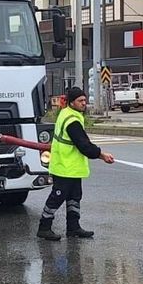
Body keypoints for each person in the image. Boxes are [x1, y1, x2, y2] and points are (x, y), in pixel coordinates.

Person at [38, 87, 114, 241]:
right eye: (80, 101)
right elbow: (84, 145)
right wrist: (101, 155)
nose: (84, 103)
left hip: (71, 168)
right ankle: (44, 227)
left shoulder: (67, 113)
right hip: (64, 167)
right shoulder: (72, 120)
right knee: (57, 198)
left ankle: (73, 227)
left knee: (74, 197)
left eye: (85, 100)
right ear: (72, 102)